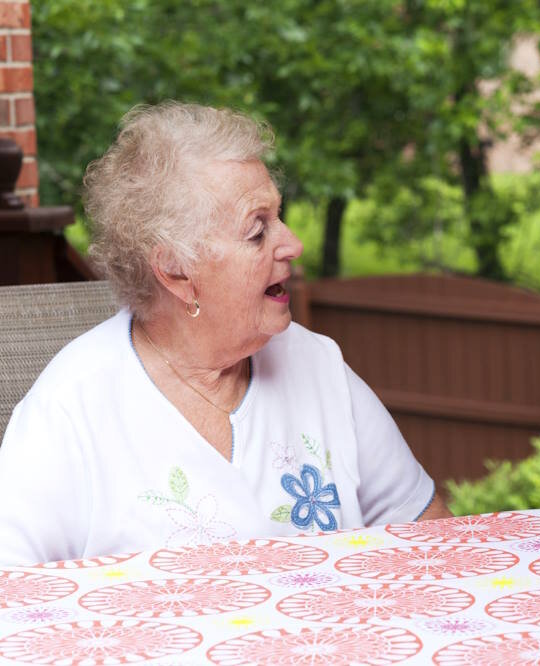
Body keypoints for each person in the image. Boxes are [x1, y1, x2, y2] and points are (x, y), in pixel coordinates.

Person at [0, 102, 450, 566]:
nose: (292, 243)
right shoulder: (70, 411)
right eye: (258, 231)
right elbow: (12, 599)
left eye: (279, 216)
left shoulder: (318, 366)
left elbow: (428, 538)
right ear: (175, 272)